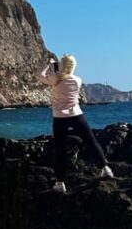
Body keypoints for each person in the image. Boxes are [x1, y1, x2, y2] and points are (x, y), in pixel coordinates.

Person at [37, 54, 113, 193]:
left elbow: (40, 75)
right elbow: (64, 77)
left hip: (60, 118)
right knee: (92, 142)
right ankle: (106, 168)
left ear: (62, 65)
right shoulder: (78, 80)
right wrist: (56, 68)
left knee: (60, 150)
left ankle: (60, 183)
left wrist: (50, 65)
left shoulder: (55, 79)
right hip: (77, 114)